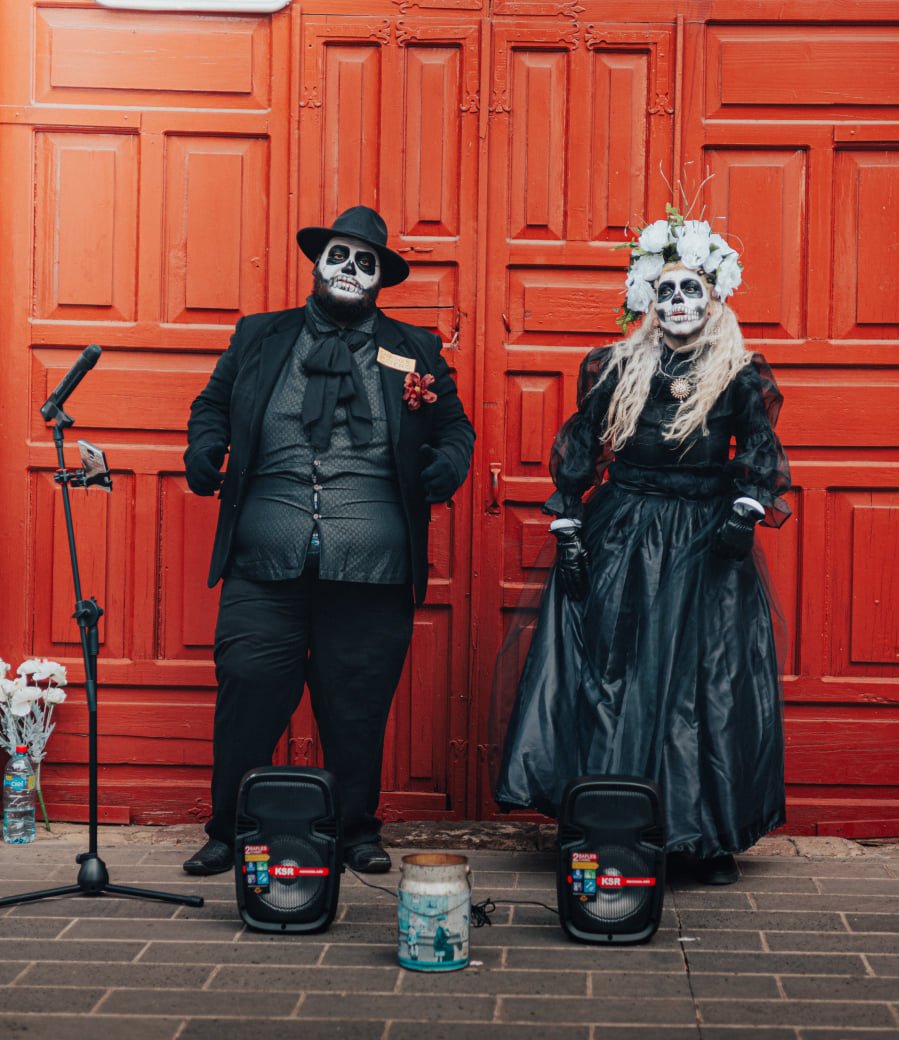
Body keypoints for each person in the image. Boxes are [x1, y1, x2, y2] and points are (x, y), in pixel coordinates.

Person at [493, 213, 790, 885]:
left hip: (704, 542)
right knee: (613, 675)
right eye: (667, 292)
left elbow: (760, 451)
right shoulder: (614, 366)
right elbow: (581, 448)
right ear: (649, 301)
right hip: (624, 533)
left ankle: (702, 837)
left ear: (713, 299)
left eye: (691, 291)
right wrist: (569, 525)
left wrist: (745, 512)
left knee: (702, 682)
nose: (679, 303)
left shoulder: (739, 372)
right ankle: (608, 823)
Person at [182, 205, 475, 875]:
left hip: (371, 563)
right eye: (338, 256)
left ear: (379, 279)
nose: (349, 269)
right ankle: (230, 829)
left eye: (364, 262)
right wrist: (204, 448)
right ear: (317, 265)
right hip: (265, 555)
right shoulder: (260, 336)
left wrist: (448, 464)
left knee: (357, 704)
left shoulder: (416, 349)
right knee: (248, 689)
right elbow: (211, 405)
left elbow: (455, 427)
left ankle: (356, 833)